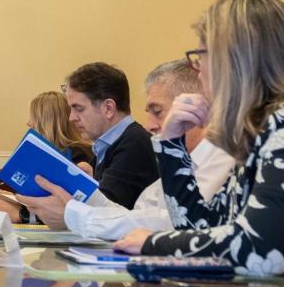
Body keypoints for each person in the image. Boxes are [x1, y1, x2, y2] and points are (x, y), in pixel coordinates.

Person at [115, 0, 284, 276]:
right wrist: (171, 143)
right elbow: (198, 225)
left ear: (233, 61)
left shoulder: (280, 126)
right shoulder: (260, 133)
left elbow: (258, 249)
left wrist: (154, 243)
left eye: (201, 55)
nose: (198, 69)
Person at [55, 60, 234, 238]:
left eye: (158, 112)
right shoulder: (176, 165)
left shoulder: (223, 163)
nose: (148, 126)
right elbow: (135, 217)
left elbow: (174, 223)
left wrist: (77, 215)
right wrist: (87, 193)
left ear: (196, 108)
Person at [15, 62, 159, 227]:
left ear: (108, 108)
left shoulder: (134, 143)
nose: (71, 118)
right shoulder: (107, 146)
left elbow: (102, 217)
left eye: (79, 109)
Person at [0, 91, 92, 222]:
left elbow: (69, 209)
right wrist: (13, 198)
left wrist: (21, 212)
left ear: (47, 122)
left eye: (33, 117)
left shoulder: (79, 154)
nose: (28, 123)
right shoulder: (50, 157)